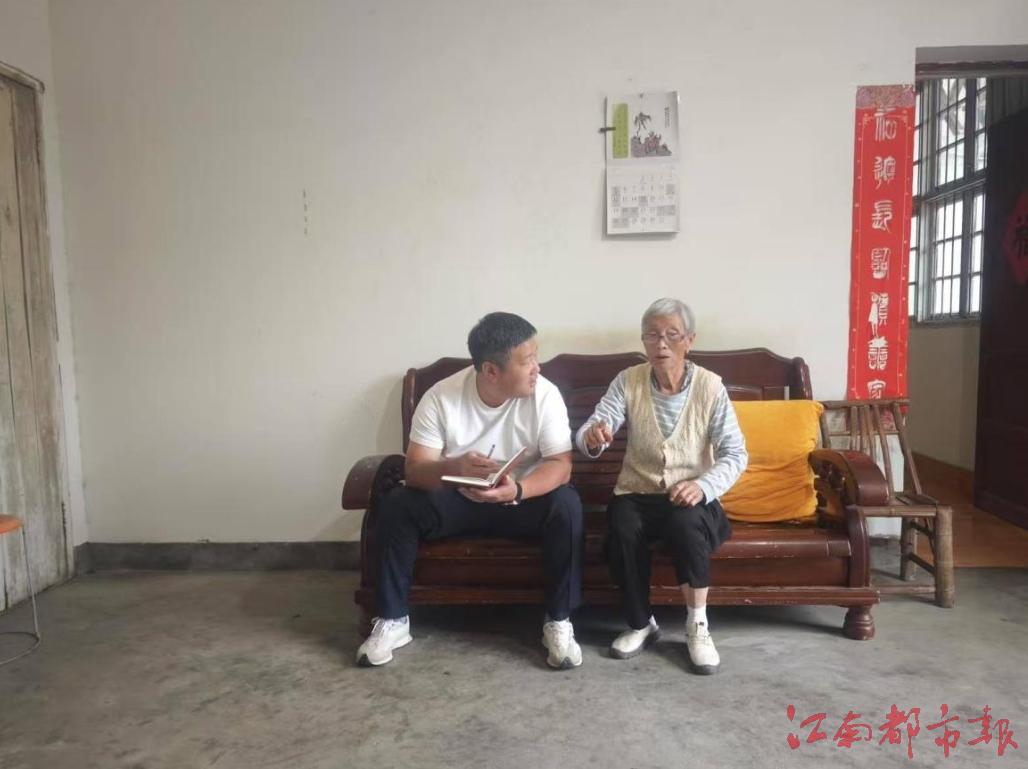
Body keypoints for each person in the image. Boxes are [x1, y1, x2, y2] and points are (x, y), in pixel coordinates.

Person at [357, 312, 584, 670]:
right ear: (491, 371)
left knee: (567, 504)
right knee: (398, 503)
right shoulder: (441, 397)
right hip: (457, 501)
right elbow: (415, 471)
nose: (537, 369)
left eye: (536, 357)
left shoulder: (545, 395)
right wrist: (451, 468)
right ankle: (392, 619)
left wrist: (518, 489)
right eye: (527, 361)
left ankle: (558, 621)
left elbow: (561, 464)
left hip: (519, 502)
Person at [576, 298, 747, 674]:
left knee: (686, 523)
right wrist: (593, 437)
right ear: (643, 341)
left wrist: (703, 485)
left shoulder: (710, 387)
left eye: (672, 335)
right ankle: (641, 624)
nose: (661, 344)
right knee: (623, 524)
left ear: (690, 340)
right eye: (652, 335)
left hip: (691, 495)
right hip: (637, 492)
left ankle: (697, 625)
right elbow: (597, 424)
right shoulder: (628, 380)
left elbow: (736, 454)